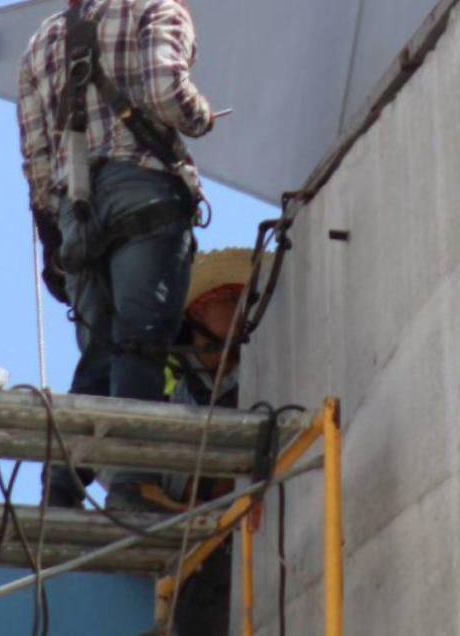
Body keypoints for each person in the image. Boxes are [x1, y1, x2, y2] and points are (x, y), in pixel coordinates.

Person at [17, 0, 215, 508]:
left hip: (75, 209)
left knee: (98, 350)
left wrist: (56, 236)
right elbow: (164, 91)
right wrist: (201, 116)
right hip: (142, 193)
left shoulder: (44, 37)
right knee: (140, 343)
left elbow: (34, 157)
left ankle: (60, 485)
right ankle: (130, 482)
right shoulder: (156, 8)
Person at [163, 248, 260, 636]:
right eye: (227, 301)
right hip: (195, 552)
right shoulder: (180, 391)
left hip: (244, 548)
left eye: (242, 300)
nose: (238, 309)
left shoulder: (260, 373)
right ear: (199, 312)